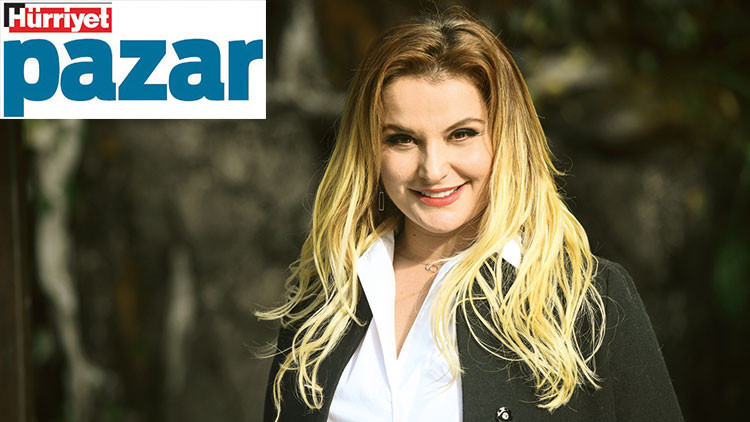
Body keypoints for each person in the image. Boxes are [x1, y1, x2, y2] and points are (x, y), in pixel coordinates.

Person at [258, 8, 683, 422]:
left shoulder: (590, 301)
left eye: (461, 134)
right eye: (402, 139)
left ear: (505, 138)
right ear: (370, 150)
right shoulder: (322, 303)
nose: (433, 169)